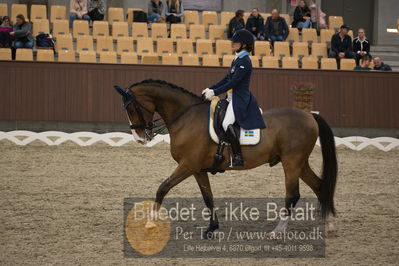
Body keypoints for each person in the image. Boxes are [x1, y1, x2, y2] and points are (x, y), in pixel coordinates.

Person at [202, 30, 266, 167]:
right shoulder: (236, 59)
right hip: (230, 97)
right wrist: (210, 88)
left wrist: (214, 92)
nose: (232, 43)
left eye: (235, 42)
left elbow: (234, 83)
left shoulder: (245, 61)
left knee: (226, 123)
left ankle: (238, 157)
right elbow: (226, 79)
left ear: (243, 45)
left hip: (240, 99)